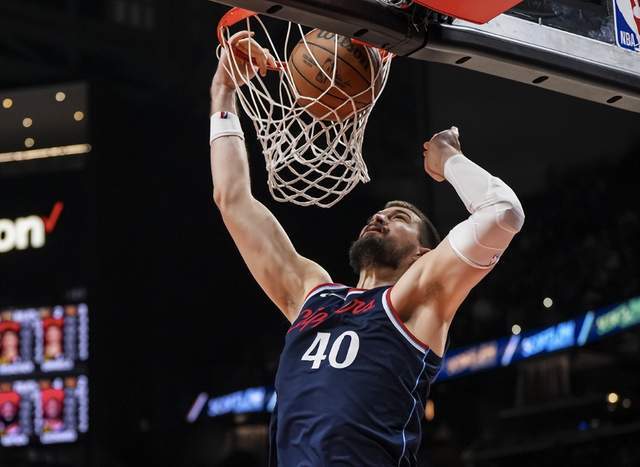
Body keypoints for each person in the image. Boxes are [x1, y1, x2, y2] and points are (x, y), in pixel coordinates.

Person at [209, 31, 524, 466]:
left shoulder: (418, 298)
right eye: (382, 212)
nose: (381, 216)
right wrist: (224, 90)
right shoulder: (311, 293)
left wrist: (448, 158)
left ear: (423, 254)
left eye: (400, 217)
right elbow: (233, 200)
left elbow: (503, 213)